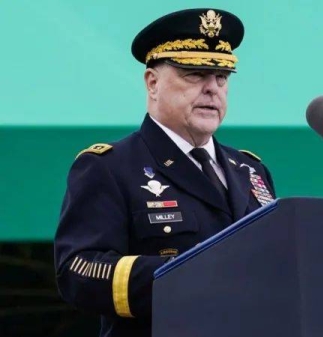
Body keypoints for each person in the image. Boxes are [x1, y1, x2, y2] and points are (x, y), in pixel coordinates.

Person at [53, 8, 276, 337]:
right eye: (194, 74)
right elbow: (78, 269)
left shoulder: (250, 169)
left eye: (221, 77)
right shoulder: (110, 166)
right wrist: (189, 276)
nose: (212, 89)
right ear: (152, 82)